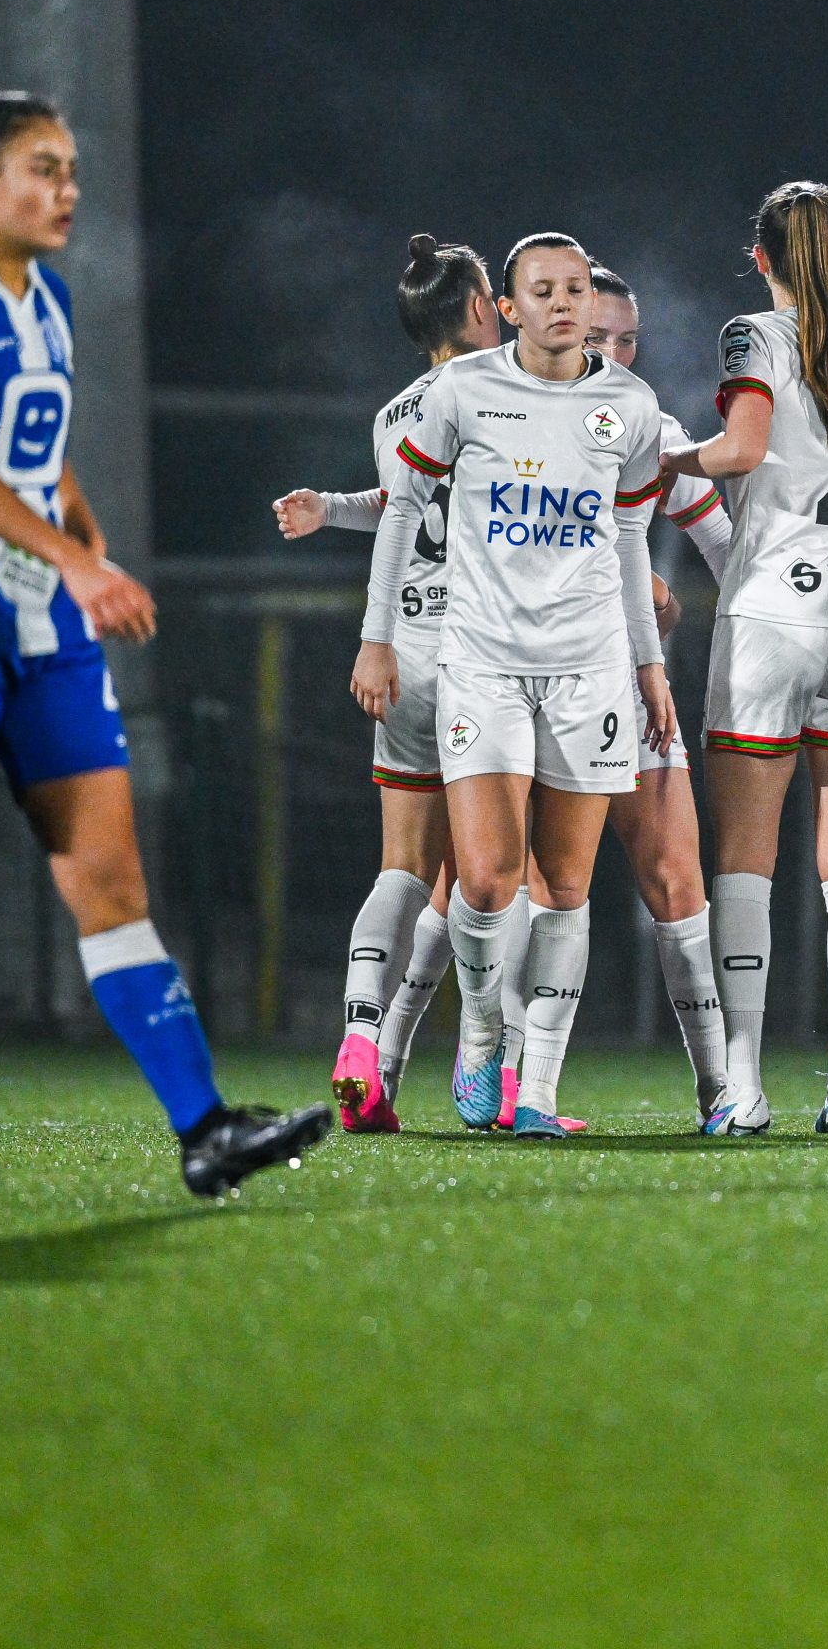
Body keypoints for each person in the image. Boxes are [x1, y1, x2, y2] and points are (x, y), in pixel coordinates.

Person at [0, 83, 330, 1209]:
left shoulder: (42, 302)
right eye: (43, 169)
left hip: (43, 635)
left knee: (112, 882)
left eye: (70, 170)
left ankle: (204, 1131)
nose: (67, 190)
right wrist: (78, 561)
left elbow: (34, 447)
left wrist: (88, 545)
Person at [353, 233, 670, 1139]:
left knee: (565, 886)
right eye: (543, 290)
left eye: (574, 288)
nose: (564, 304)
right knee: (488, 884)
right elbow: (403, 508)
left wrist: (648, 667)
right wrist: (378, 641)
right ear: (510, 305)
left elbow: (630, 540)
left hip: (591, 672)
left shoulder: (630, 407)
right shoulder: (464, 391)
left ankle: (537, 1094)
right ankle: (484, 1029)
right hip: (482, 666)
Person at [655, 184, 828, 1137]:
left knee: (746, 861)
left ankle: (745, 1085)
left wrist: (663, 455)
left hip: (770, 612)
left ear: (760, 258)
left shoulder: (755, 333)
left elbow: (742, 448)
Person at [271, 235, 498, 1133]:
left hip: (406, 652)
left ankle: (365, 1042)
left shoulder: (395, 409)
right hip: (488, 656)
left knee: (406, 868)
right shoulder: (504, 392)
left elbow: (403, 510)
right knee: (498, 878)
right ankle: (498, 1073)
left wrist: (329, 510)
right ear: (480, 305)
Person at [597, 264, 743, 1129]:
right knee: (505, 883)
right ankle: (489, 1079)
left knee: (676, 873)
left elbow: (728, 549)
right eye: (596, 338)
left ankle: (718, 1084)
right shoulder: (504, 419)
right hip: (522, 683)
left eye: (627, 340)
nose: (614, 353)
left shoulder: (654, 430)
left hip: (631, 682)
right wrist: (631, 581)